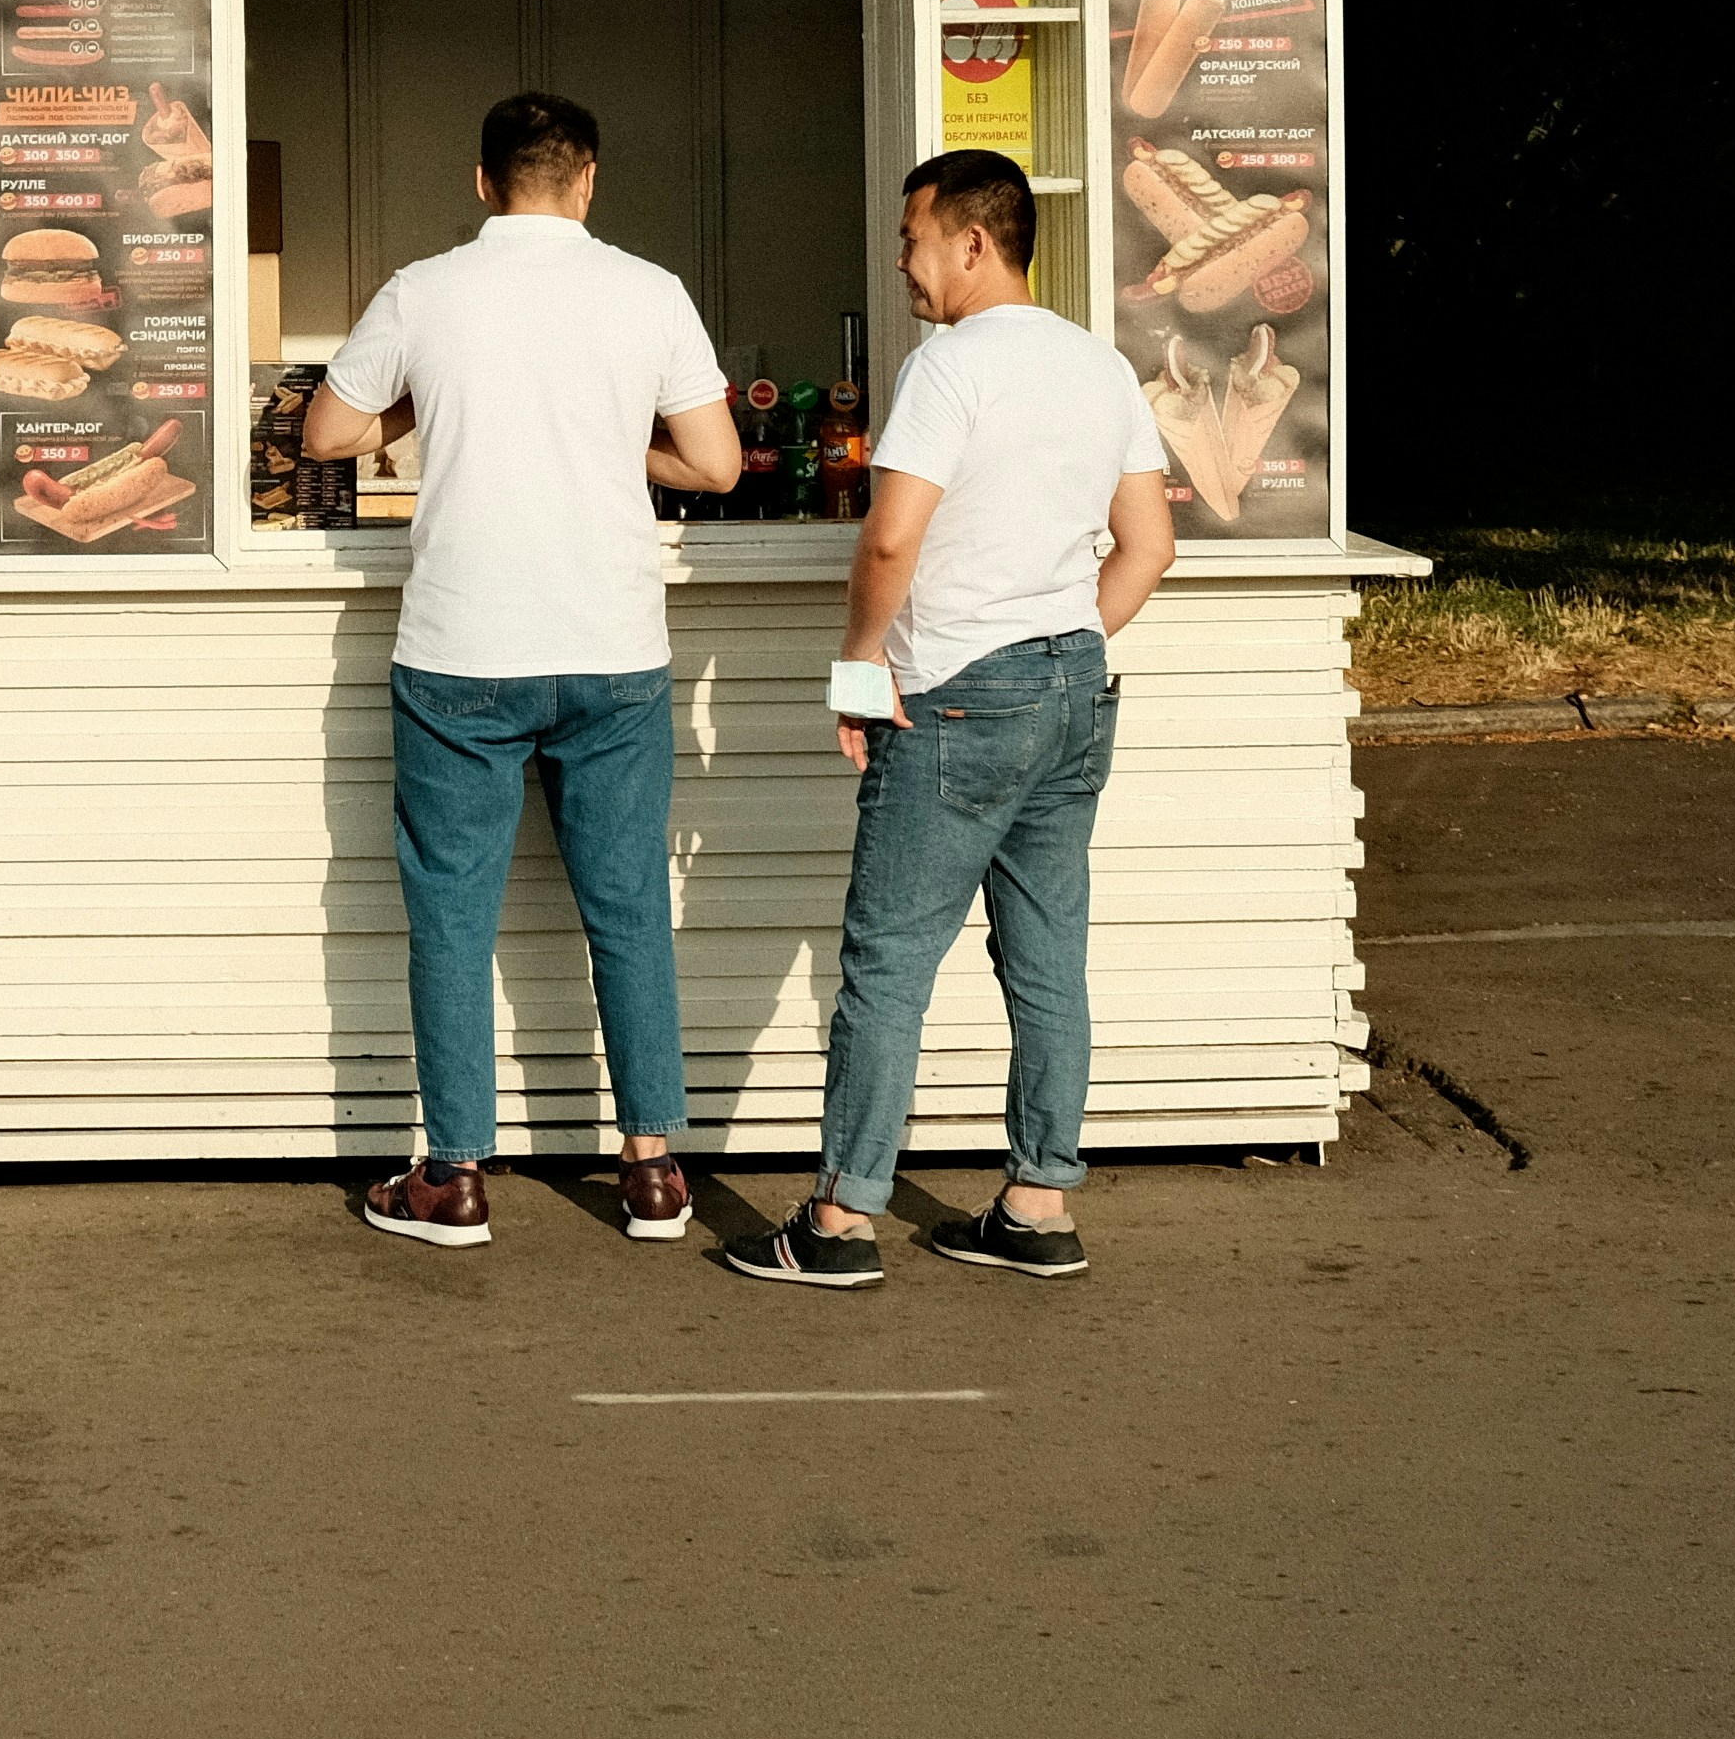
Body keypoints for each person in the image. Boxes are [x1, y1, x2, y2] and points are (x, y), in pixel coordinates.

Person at [719, 146, 1177, 1289]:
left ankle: (839, 1221)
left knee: (888, 962)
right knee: (1048, 957)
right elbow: (1150, 545)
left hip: (962, 696)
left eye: (914, 238)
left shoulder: (950, 365)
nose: (905, 262)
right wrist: (1058, 642)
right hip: (1074, 685)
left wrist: (860, 668)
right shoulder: (1099, 364)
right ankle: (1038, 1200)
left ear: (974, 241)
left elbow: (889, 536)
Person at [304, 88, 746, 1248]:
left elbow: (324, 434)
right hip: (613, 648)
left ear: (484, 178)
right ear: (588, 179)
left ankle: (453, 1175)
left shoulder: (424, 289)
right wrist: (611, 432)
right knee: (630, 907)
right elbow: (715, 464)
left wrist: (426, 409)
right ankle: (653, 1170)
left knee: (453, 916)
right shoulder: (650, 292)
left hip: (462, 650)